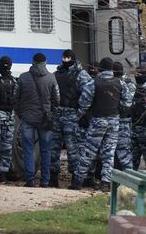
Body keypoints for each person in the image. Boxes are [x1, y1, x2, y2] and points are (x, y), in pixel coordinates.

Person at [72, 57, 132, 191]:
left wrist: (80, 115)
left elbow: (84, 103)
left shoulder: (93, 83)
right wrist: (119, 109)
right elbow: (127, 103)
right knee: (109, 153)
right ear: (111, 69)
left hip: (97, 120)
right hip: (114, 121)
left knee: (88, 152)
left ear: (100, 69)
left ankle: (78, 181)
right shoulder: (121, 83)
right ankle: (105, 183)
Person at [14, 53, 59, 187]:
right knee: (46, 150)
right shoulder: (51, 78)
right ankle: (45, 181)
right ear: (45, 63)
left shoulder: (23, 78)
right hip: (45, 120)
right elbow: (56, 99)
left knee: (28, 149)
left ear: (32, 62)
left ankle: (30, 179)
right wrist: (51, 113)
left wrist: (21, 114)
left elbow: (16, 98)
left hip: (27, 118)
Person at [49, 50, 93, 188]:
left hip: (71, 115)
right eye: (64, 57)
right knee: (53, 148)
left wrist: (79, 113)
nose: (66, 60)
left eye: (68, 57)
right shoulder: (56, 74)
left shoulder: (81, 75)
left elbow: (88, 94)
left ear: (73, 58)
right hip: (57, 114)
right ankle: (52, 178)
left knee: (73, 149)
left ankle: (75, 178)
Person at [113, 62, 136, 170]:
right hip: (115, 121)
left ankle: (128, 177)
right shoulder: (113, 82)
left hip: (123, 121)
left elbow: (128, 104)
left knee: (124, 151)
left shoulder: (127, 84)